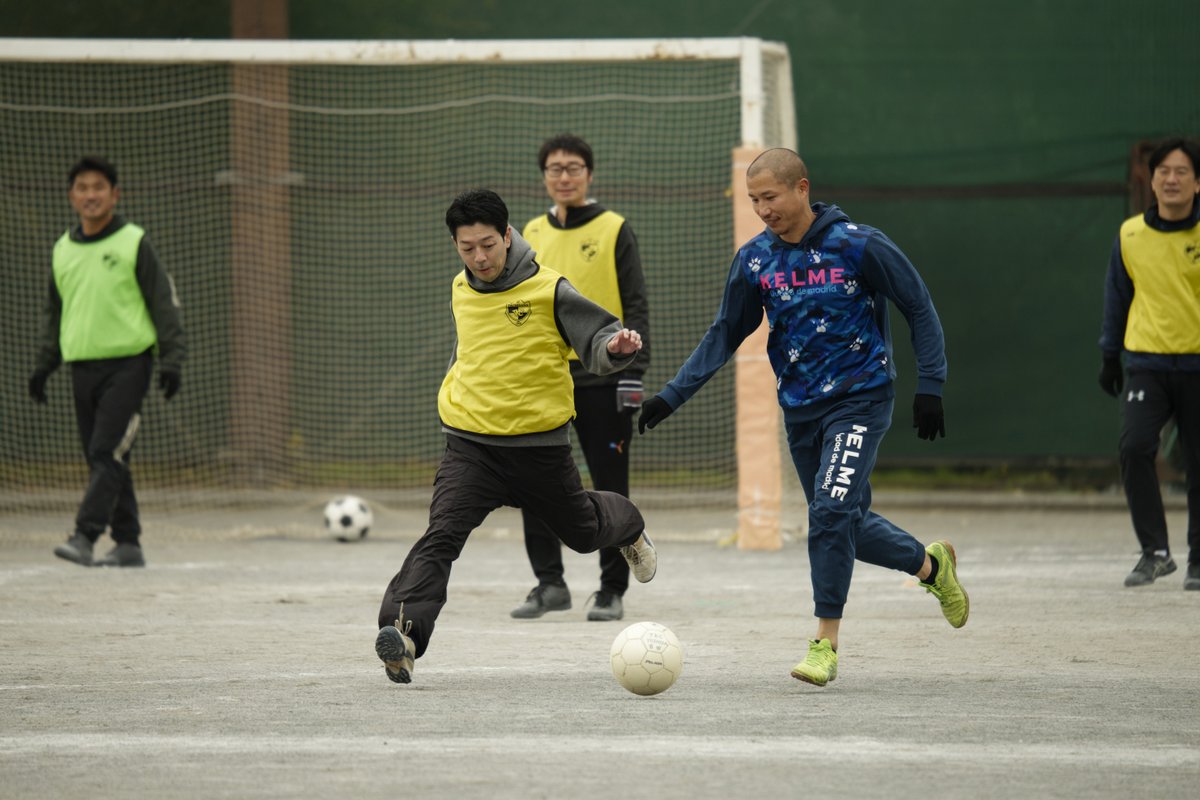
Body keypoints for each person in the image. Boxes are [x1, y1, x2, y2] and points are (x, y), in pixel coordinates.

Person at [637, 148, 968, 687]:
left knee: (830, 512)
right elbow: (725, 333)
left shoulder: (858, 244)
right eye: (753, 200)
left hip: (861, 398)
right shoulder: (754, 261)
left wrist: (931, 383)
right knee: (844, 521)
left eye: (770, 197)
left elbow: (918, 305)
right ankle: (932, 567)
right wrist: (672, 396)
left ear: (801, 189)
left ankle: (824, 644)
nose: (762, 209)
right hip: (799, 410)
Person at [374, 189, 657, 685]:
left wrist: (615, 347)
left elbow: (597, 337)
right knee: (441, 536)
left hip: (539, 450)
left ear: (507, 236)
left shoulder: (550, 289)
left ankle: (628, 523)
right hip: (471, 447)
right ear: (455, 246)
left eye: (487, 244)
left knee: (583, 533)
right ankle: (404, 635)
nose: (479, 258)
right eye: (467, 248)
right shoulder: (459, 288)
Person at [510, 133, 651, 622]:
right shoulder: (529, 232)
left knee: (609, 484)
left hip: (604, 377)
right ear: (544, 177)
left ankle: (612, 588)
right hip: (545, 378)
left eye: (573, 168)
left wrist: (633, 374)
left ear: (589, 174)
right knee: (533, 478)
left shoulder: (614, 228)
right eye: (555, 169)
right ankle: (550, 583)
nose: (564, 177)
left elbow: (635, 305)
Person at [28, 155, 186, 569]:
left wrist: (171, 359)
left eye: (98, 187)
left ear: (115, 195)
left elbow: (164, 303)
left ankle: (85, 535)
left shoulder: (133, 242)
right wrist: (44, 364)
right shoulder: (62, 249)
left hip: (128, 365)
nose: (90, 195)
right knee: (108, 457)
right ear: (71, 196)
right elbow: (54, 313)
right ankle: (128, 543)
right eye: (82, 188)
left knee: (105, 450)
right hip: (82, 367)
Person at [1098, 137, 1200, 591]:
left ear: (1197, 183)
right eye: (1163, 172)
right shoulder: (1131, 234)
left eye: (1181, 172)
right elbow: (1117, 297)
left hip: (1197, 363)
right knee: (1135, 447)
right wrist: (1109, 354)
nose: (1171, 179)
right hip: (1147, 363)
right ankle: (1155, 552)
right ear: (1152, 181)